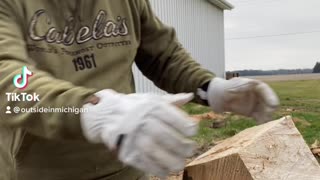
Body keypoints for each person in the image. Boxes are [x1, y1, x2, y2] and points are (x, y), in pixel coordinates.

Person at [0, 0, 279, 179]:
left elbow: (162, 55)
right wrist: (88, 110)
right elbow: (12, 78)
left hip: (128, 167)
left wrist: (209, 86)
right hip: (39, 172)